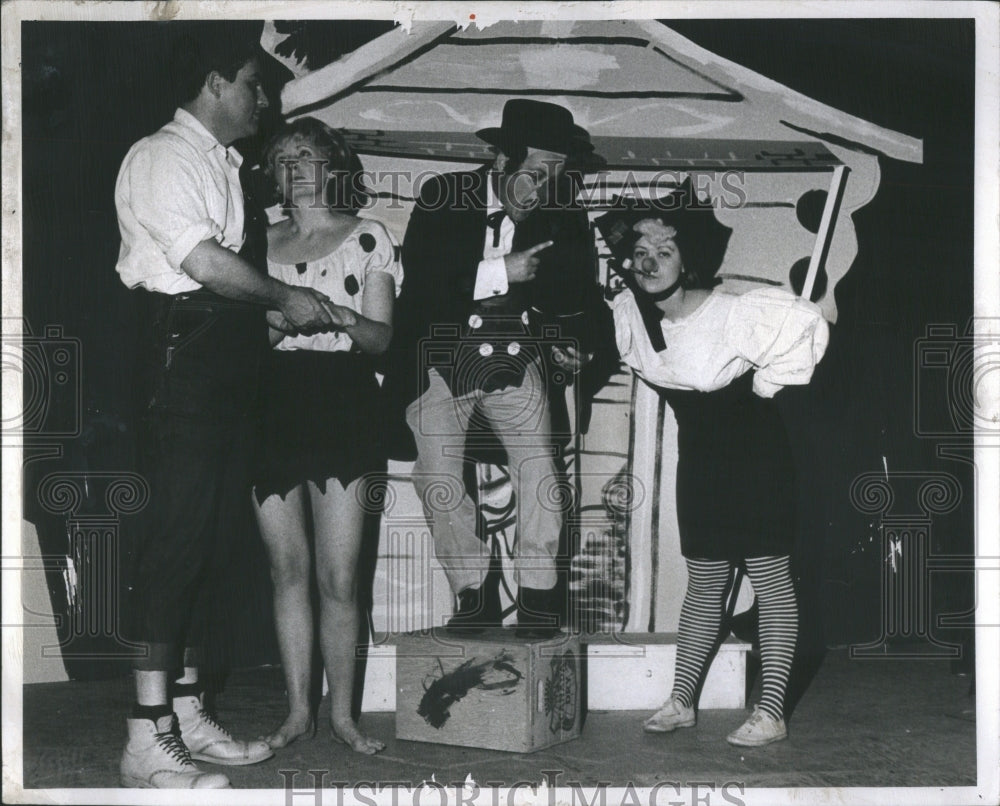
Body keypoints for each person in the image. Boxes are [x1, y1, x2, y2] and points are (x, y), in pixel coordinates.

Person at [115, 25, 336, 789]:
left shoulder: (223, 165)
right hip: (181, 366)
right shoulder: (161, 156)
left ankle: (182, 712)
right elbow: (202, 265)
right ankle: (145, 738)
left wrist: (273, 313)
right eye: (253, 84)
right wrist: (286, 297)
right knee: (175, 546)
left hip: (223, 364)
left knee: (212, 549)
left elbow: (232, 277)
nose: (263, 99)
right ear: (215, 84)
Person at [596, 180, 829, 747]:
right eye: (640, 253)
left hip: (757, 460)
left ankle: (771, 712)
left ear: (688, 258)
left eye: (664, 252)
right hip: (698, 462)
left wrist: (767, 385)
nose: (648, 263)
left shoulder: (734, 314)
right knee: (705, 580)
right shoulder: (628, 313)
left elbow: (807, 328)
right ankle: (682, 701)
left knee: (770, 578)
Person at [383, 99, 610, 638]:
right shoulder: (443, 196)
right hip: (442, 353)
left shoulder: (565, 214)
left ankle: (536, 594)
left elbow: (584, 299)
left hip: (519, 354)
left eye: (556, 176)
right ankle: (473, 591)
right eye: (536, 172)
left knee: (541, 473)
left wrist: (578, 345)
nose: (544, 188)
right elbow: (425, 282)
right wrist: (499, 271)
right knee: (436, 477)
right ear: (502, 162)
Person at [251, 117, 400, 755]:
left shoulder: (370, 238)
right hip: (271, 404)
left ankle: (343, 717)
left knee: (340, 577)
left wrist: (336, 315)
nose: (294, 167)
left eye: (307, 154)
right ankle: (295, 714)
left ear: (333, 163)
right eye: (283, 157)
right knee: (287, 570)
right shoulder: (257, 239)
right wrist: (283, 321)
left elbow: (381, 339)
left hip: (344, 403)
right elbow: (247, 340)